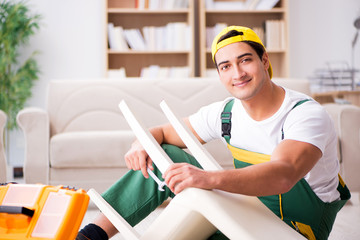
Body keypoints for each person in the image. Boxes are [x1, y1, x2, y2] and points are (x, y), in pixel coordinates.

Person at [77, 26, 350, 240]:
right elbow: (160, 133)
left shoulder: (304, 114)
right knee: (164, 154)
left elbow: (283, 175)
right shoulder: (226, 113)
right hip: (245, 212)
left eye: (245, 60)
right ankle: (90, 236)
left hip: (294, 229)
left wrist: (207, 179)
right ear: (219, 74)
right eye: (226, 66)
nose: (238, 73)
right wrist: (141, 143)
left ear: (264, 60)